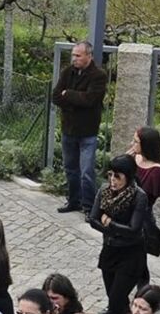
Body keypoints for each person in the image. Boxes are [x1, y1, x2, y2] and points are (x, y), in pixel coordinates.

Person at [52, 40, 108, 216]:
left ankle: (89, 206)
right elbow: (55, 97)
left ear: (88, 56)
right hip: (68, 129)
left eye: (78, 55)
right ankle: (73, 201)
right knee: (70, 169)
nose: (74, 58)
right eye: (73, 55)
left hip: (87, 131)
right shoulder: (67, 72)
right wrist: (74, 102)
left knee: (86, 172)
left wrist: (68, 94)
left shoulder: (98, 75)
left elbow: (90, 99)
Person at [89, 154, 149, 314]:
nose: (113, 180)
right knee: (116, 300)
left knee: (115, 300)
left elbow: (134, 229)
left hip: (131, 254)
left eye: (117, 176)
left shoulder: (139, 196)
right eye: (110, 175)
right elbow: (93, 219)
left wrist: (110, 224)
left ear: (128, 177)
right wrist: (113, 231)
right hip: (110, 250)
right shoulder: (104, 190)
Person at [129, 126, 160, 207]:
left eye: (135, 141)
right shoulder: (134, 158)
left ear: (146, 144)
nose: (131, 144)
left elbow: (144, 200)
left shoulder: (156, 171)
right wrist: (124, 161)